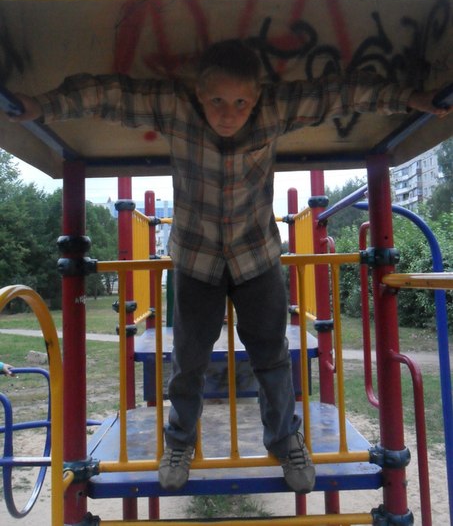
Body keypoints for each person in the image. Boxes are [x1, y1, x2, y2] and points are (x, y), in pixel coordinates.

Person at [9, 39, 452, 494]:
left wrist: (410, 98)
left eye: (241, 102)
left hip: (255, 256)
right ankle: (180, 441)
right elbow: (110, 95)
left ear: (256, 97)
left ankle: (284, 438)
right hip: (196, 259)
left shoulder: (274, 111)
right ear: (199, 93)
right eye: (217, 100)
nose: (228, 113)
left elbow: (341, 93)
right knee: (188, 360)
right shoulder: (176, 108)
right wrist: (43, 106)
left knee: (272, 356)